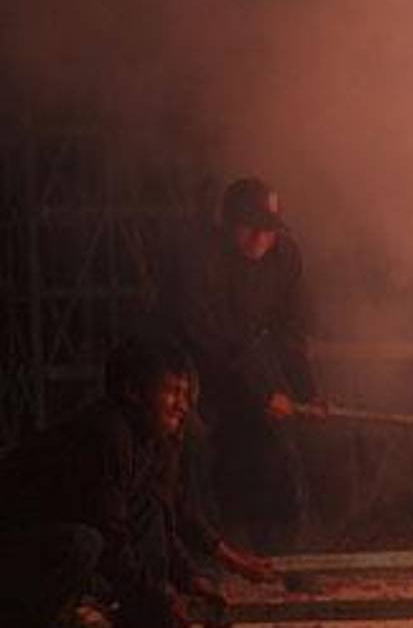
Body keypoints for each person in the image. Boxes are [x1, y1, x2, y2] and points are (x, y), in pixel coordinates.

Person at [163, 176, 323, 554]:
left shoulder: (285, 257)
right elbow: (208, 338)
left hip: (246, 362)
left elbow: (291, 333)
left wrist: (307, 392)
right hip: (191, 365)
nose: (259, 239)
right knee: (194, 446)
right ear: (228, 224)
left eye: (268, 230)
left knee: (279, 446)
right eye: (250, 227)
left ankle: (283, 557)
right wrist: (264, 393)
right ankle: (204, 555)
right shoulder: (200, 261)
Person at [0, 335, 203, 627]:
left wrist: (187, 579)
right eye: (172, 392)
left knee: (148, 513)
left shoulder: (146, 443)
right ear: (132, 391)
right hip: (13, 548)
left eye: (185, 395)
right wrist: (158, 598)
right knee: (82, 544)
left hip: (47, 548)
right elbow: (111, 536)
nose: (182, 406)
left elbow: (158, 518)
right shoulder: (108, 434)